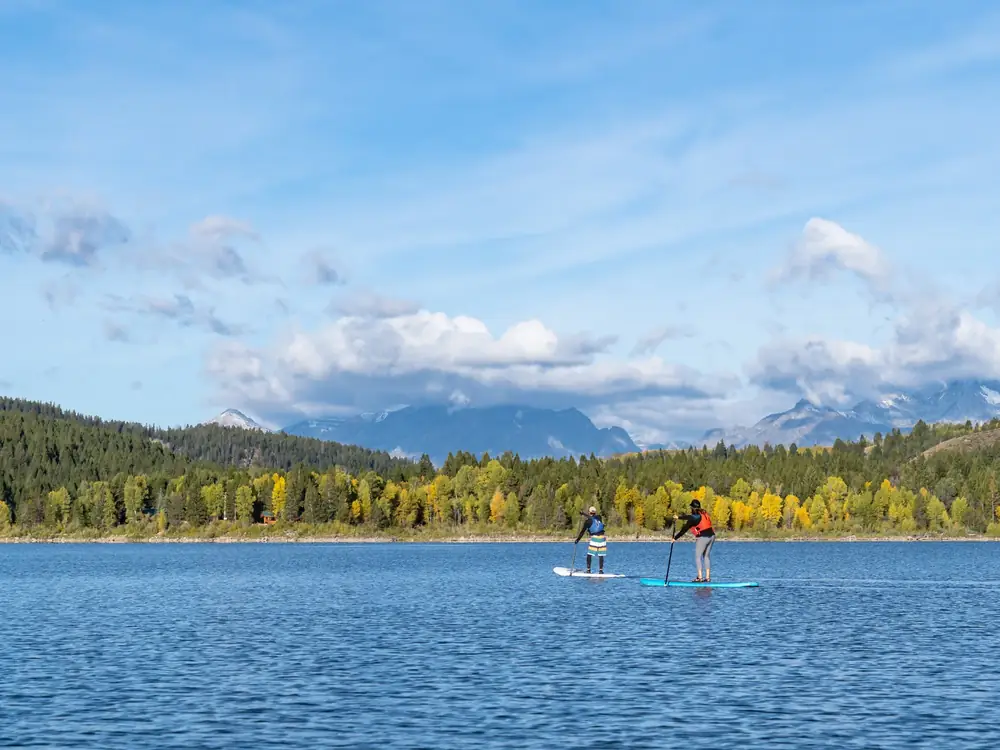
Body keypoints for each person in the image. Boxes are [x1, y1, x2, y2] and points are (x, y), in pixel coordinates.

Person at [672, 499, 715, 582]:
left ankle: (699, 578)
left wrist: (675, 538)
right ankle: (708, 578)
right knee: (706, 556)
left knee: (698, 557)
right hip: (712, 536)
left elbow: (683, 530)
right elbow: (690, 516)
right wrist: (679, 517)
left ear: (692, 508)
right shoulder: (704, 513)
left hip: (703, 538)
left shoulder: (693, 519)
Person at [575, 506, 606, 574]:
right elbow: (592, 518)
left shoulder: (587, 522)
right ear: (595, 512)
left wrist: (577, 540)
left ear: (589, 512)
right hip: (602, 538)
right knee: (601, 555)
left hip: (595, 538)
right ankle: (601, 570)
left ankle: (588, 570)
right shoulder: (599, 517)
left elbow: (582, 532)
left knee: (589, 554)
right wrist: (584, 514)